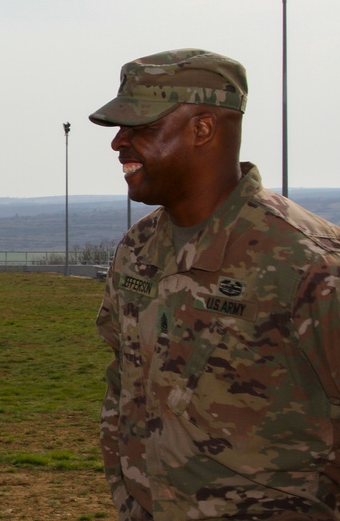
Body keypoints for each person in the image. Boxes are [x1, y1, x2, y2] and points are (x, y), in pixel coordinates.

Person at [91, 48, 340, 520]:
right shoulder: (138, 250)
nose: (118, 143)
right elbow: (121, 382)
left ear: (202, 129)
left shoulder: (307, 264)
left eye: (140, 127)